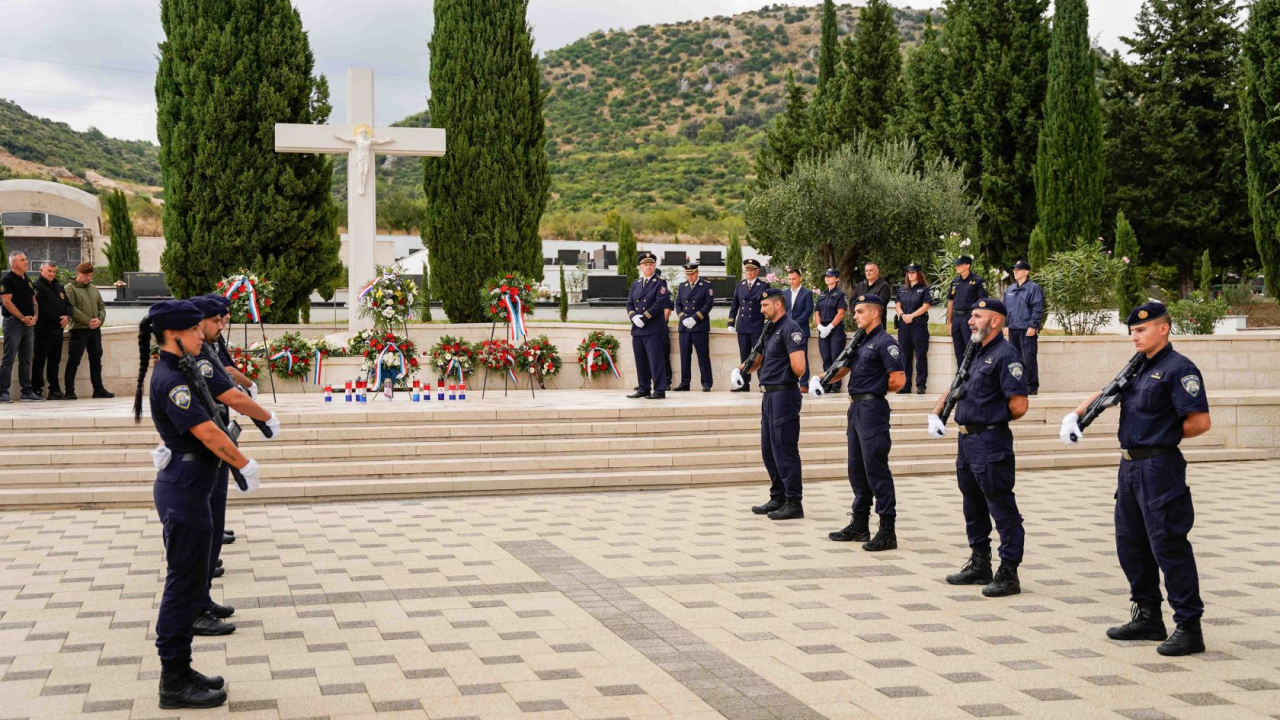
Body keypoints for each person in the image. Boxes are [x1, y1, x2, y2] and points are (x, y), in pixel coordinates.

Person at [1060, 302, 1210, 656]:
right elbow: (1109, 390)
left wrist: (1161, 434)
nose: (1134, 336)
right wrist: (1076, 414)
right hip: (1129, 468)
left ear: (1163, 329)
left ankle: (1189, 627)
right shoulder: (1139, 366)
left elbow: (1200, 422)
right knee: (1132, 544)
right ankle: (1148, 616)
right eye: (1132, 331)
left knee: (1168, 545)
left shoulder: (1179, 369)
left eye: (1141, 330)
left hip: (1159, 467)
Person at [135, 299, 263, 709]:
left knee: (189, 582)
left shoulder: (183, 367)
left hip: (191, 484)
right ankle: (173, 680)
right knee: (182, 586)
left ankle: (182, 669)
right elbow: (207, 432)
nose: (200, 335)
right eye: (193, 330)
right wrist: (243, 463)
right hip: (184, 488)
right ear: (173, 334)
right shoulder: (172, 377)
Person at [184, 295, 280, 635]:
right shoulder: (193, 360)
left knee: (212, 527)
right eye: (216, 320)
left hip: (213, 450)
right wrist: (264, 417)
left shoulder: (205, 350)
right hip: (200, 456)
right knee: (201, 534)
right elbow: (227, 395)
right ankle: (194, 609)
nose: (220, 325)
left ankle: (202, 599)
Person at [926, 298, 1028, 598]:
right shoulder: (976, 351)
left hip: (990, 441)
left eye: (977, 316)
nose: (970, 321)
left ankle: (1008, 572)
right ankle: (980, 563)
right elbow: (957, 383)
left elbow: (1019, 405)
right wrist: (937, 412)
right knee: (973, 505)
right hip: (967, 442)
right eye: (971, 316)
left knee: (1002, 508)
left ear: (994, 321)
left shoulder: (1006, 356)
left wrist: (989, 417)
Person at [812, 294, 905, 550]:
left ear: (875, 313)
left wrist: (874, 389)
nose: (855, 316)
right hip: (856, 408)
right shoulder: (861, 340)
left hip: (872, 408)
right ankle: (860, 524)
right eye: (855, 312)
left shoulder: (885, 342)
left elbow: (898, 380)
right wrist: (821, 378)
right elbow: (844, 368)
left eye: (860, 311)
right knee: (857, 468)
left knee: (876, 468)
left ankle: (887, 530)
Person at [736, 287, 807, 520]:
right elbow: (756, 361)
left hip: (783, 395)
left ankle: (793, 501)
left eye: (765, 305)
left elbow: (799, 368)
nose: (761, 309)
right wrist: (740, 369)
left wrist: (780, 373)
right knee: (769, 450)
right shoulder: (770, 329)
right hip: (768, 396)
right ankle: (778, 496)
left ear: (778, 304)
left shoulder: (791, 329)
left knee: (784, 448)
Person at [626, 251, 673, 399]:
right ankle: (643, 388)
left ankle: (659, 390)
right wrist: (633, 317)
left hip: (653, 328)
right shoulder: (636, 284)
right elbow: (629, 304)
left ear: (654, 266)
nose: (648, 267)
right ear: (640, 267)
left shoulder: (660, 283)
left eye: (651, 264)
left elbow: (659, 303)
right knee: (641, 361)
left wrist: (644, 318)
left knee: (655, 361)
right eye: (645, 265)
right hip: (637, 328)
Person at [65, 262, 113, 399]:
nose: (89, 278)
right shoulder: (69, 288)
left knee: (96, 360)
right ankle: (69, 391)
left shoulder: (93, 288)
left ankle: (98, 389)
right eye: (87, 275)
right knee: (74, 361)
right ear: (79, 274)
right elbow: (71, 308)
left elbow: (101, 307)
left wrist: (100, 320)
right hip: (79, 330)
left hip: (95, 330)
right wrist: (87, 320)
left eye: (91, 275)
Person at [0, 251, 43, 403]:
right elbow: (7, 302)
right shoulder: (7, 280)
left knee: (26, 359)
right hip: (13, 324)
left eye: (26, 259)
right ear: (14, 263)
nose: (26, 261)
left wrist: (35, 316)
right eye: (22, 260)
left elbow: (34, 301)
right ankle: (2, 392)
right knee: (9, 358)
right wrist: (22, 318)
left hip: (28, 324)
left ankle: (27, 391)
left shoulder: (28, 280)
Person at [1003, 260, 1044, 395]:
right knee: (1014, 359)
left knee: (1028, 358)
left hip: (1027, 329)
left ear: (1026, 272)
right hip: (1013, 329)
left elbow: (1037, 308)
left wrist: (1033, 325)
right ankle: (1017, 385)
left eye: (1018, 270)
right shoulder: (1010, 290)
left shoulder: (1033, 288)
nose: (1015, 272)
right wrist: (1006, 325)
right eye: (1014, 270)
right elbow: (1005, 309)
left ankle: (1031, 386)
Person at [32, 261, 71, 400]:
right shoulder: (36, 286)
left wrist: (68, 317)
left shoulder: (59, 286)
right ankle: (36, 389)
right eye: (49, 271)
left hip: (57, 330)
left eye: (54, 271)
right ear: (41, 270)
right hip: (43, 329)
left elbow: (68, 305)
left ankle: (54, 390)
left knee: (55, 361)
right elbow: (42, 307)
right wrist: (59, 319)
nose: (52, 274)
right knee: (39, 360)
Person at [728, 258, 768, 393]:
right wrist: (730, 322)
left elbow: (766, 305)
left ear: (757, 271)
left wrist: (767, 323)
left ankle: (763, 383)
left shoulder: (763, 286)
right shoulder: (740, 285)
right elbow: (735, 305)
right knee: (744, 356)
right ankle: (744, 384)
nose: (749, 272)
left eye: (752, 270)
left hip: (757, 325)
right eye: (747, 270)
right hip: (743, 325)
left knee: (759, 356)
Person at [674, 262, 714, 391]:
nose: (690, 277)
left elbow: (708, 304)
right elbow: (678, 304)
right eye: (687, 274)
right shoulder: (682, 286)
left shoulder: (706, 286)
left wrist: (695, 318)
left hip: (699, 326)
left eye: (692, 274)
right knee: (684, 355)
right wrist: (683, 318)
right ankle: (685, 383)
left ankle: (707, 383)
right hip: (685, 327)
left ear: (697, 272)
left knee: (703, 355)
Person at [894, 263, 932, 395]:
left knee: (920, 355)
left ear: (918, 274)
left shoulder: (924, 289)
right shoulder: (902, 289)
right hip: (904, 325)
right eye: (909, 272)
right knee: (905, 356)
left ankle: (921, 385)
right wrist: (902, 315)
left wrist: (912, 316)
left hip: (918, 325)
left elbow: (926, 306)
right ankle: (905, 385)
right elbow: (897, 305)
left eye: (913, 272)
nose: (910, 275)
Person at [946, 255, 988, 366]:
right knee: (958, 350)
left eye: (959, 265)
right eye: (956, 265)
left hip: (970, 319)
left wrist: (979, 321)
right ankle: (961, 374)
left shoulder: (977, 281)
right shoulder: (955, 282)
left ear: (967, 265)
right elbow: (950, 302)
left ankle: (973, 374)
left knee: (971, 349)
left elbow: (982, 303)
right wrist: (949, 322)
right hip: (956, 319)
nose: (957, 267)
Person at [814, 269, 848, 393]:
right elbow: (817, 312)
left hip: (835, 329)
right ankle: (826, 383)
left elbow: (841, 313)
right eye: (826, 276)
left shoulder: (840, 294)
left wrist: (830, 327)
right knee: (826, 358)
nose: (827, 278)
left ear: (837, 278)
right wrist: (819, 326)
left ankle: (836, 385)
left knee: (836, 358)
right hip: (822, 329)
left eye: (830, 276)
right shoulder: (822, 295)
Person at [783, 267, 813, 389]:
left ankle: (804, 384)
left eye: (794, 279)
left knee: (802, 356)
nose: (792, 281)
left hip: (801, 330)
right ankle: (788, 382)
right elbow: (783, 311)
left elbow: (808, 311)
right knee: (786, 357)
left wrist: (793, 324)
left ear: (800, 278)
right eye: (790, 279)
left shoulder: (807, 293)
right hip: (786, 330)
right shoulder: (785, 293)